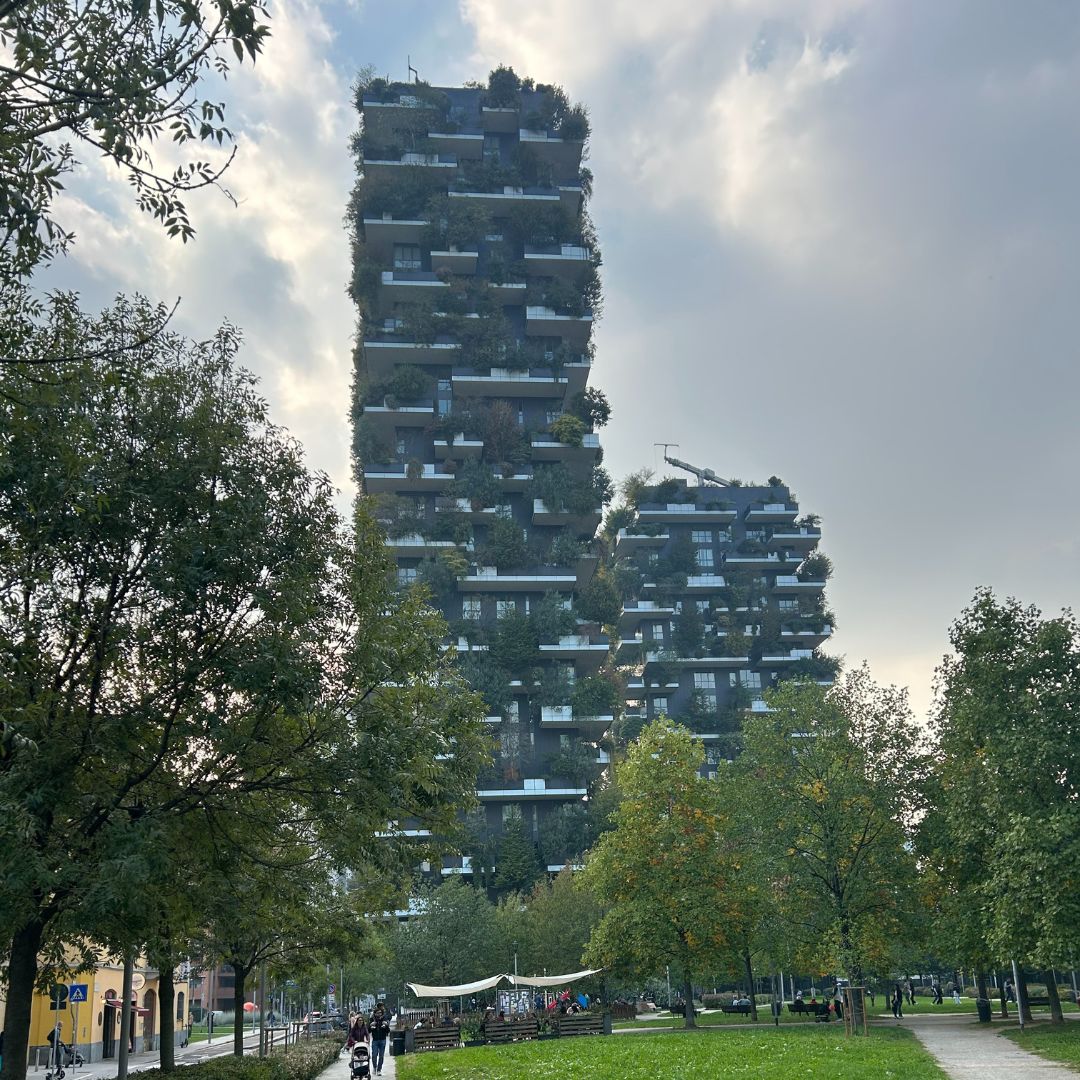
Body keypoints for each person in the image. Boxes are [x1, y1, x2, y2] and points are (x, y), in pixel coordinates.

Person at [369, 1003, 390, 1077]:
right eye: (378, 1013)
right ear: (375, 1013)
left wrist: (386, 1026)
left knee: (381, 1056)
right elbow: (368, 1031)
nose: (379, 1014)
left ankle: (379, 1070)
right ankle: (374, 1067)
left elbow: (388, 1031)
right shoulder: (372, 1019)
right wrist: (371, 1025)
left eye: (380, 1013)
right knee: (374, 1055)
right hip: (375, 1040)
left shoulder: (384, 1018)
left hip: (382, 1040)